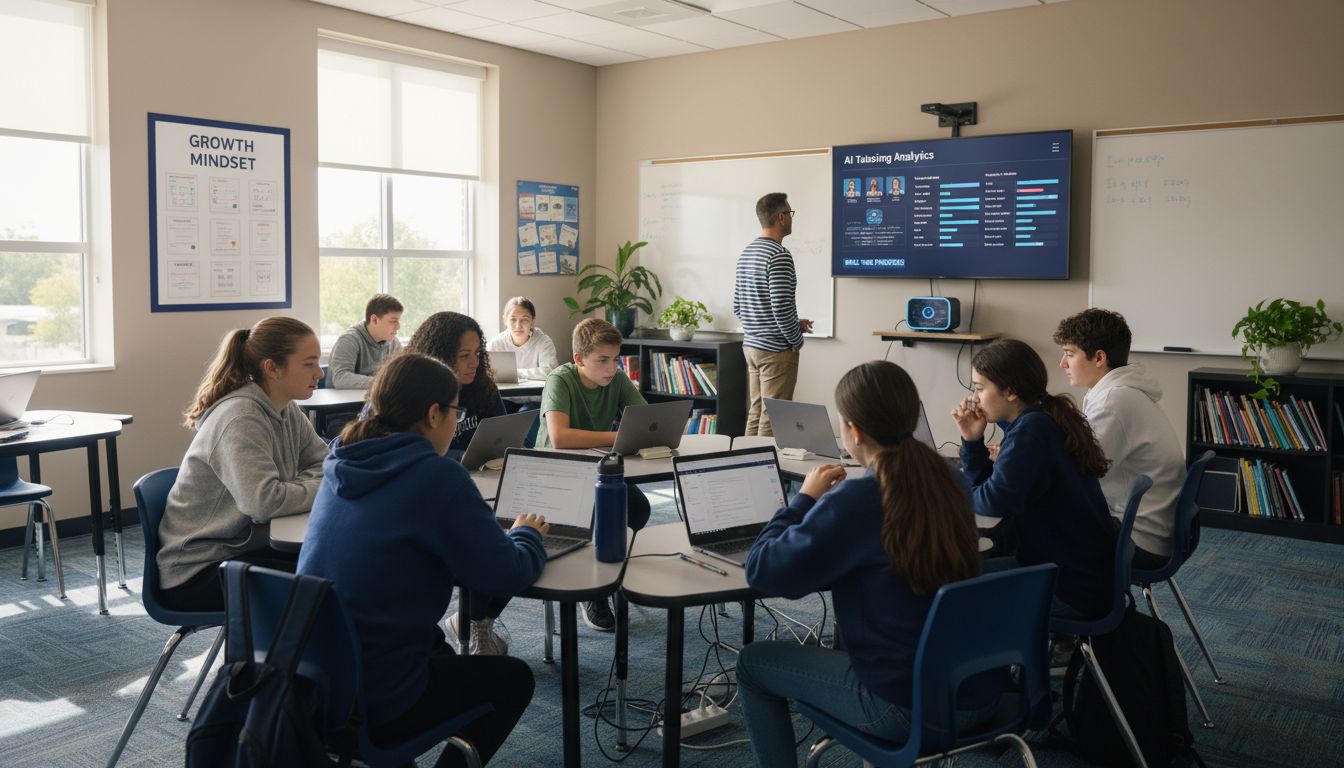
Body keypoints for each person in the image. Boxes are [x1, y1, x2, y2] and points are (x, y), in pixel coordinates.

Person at [297, 352, 547, 767]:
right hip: (380, 691)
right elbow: (507, 574)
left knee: (444, 654)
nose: (456, 421)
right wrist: (526, 535)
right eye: (456, 411)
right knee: (513, 680)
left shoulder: (342, 460)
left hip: (317, 680)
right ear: (434, 413)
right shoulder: (436, 476)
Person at [738, 361, 994, 767]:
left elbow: (763, 570)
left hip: (905, 709)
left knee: (753, 663)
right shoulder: (952, 481)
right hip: (980, 693)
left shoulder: (856, 501)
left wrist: (803, 500)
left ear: (853, 431)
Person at [158, 317, 328, 612]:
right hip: (198, 570)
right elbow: (263, 503)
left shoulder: (285, 408)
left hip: (245, 546)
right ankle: (276, 659)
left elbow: (325, 462)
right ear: (272, 368)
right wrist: (318, 486)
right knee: (329, 585)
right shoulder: (241, 417)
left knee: (337, 563)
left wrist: (296, 487)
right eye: (309, 364)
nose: (319, 373)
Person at [952, 338, 1117, 619]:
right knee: (956, 576)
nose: (974, 398)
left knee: (948, 589)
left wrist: (950, 494)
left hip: (1067, 587)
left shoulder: (1032, 430)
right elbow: (994, 489)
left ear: (1011, 391)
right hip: (1079, 574)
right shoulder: (1043, 416)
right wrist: (972, 440)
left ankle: (996, 656)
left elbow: (993, 501)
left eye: (980, 388)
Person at [534, 317, 653, 631]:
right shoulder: (560, 380)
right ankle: (593, 592)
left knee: (638, 508)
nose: (611, 368)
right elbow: (560, 438)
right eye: (602, 360)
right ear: (578, 359)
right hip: (556, 472)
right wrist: (617, 437)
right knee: (600, 512)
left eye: (615, 359)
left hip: (597, 469)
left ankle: (610, 570)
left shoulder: (616, 379)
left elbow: (642, 420)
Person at [1055, 308, 1184, 569]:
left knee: (1033, 522)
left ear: (1099, 357)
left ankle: (1070, 606)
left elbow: (1078, 472)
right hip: (1151, 528)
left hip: (1139, 539)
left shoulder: (1114, 401)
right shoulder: (1119, 392)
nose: (1063, 363)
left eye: (1070, 354)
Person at [732, 192, 811, 436]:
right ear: (781, 217)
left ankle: (748, 467)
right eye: (790, 213)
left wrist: (793, 323)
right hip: (776, 351)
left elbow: (738, 305)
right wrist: (795, 341)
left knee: (756, 412)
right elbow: (780, 307)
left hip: (752, 347)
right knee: (773, 418)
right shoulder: (779, 256)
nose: (791, 218)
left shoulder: (747, 253)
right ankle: (767, 473)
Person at [406, 311, 506, 461]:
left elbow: (503, 435)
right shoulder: (412, 394)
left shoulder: (483, 387)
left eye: (477, 354)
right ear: (440, 357)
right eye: (465, 356)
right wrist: (464, 457)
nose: (475, 363)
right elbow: (412, 452)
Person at [328, 293, 403, 388]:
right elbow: (341, 379)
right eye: (393, 321)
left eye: (398, 320)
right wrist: (383, 382)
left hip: (373, 399)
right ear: (374, 320)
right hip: (345, 401)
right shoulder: (349, 340)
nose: (398, 326)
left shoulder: (393, 342)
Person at [486, 296, 559, 382]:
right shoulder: (496, 343)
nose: (518, 326)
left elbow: (550, 372)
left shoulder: (544, 342)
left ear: (532, 321)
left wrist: (515, 373)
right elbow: (486, 371)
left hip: (536, 393)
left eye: (524, 320)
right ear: (505, 320)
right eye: (513, 319)